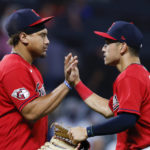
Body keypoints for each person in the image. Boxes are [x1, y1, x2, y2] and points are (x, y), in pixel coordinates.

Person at [0, 8, 77, 150]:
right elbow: (31, 112)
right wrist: (67, 84)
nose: (47, 41)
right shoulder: (13, 66)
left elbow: (37, 115)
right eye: (42, 35)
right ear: (23, 37)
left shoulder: (31, 69)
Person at [66, 21, 150, 149]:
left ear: (122, 47)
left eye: (107, 44)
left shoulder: (130, 76)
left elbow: (127, 119)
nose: (103, 49)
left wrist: (87, 132)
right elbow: (108, 109)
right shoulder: (138, 73)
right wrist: (77, 83)